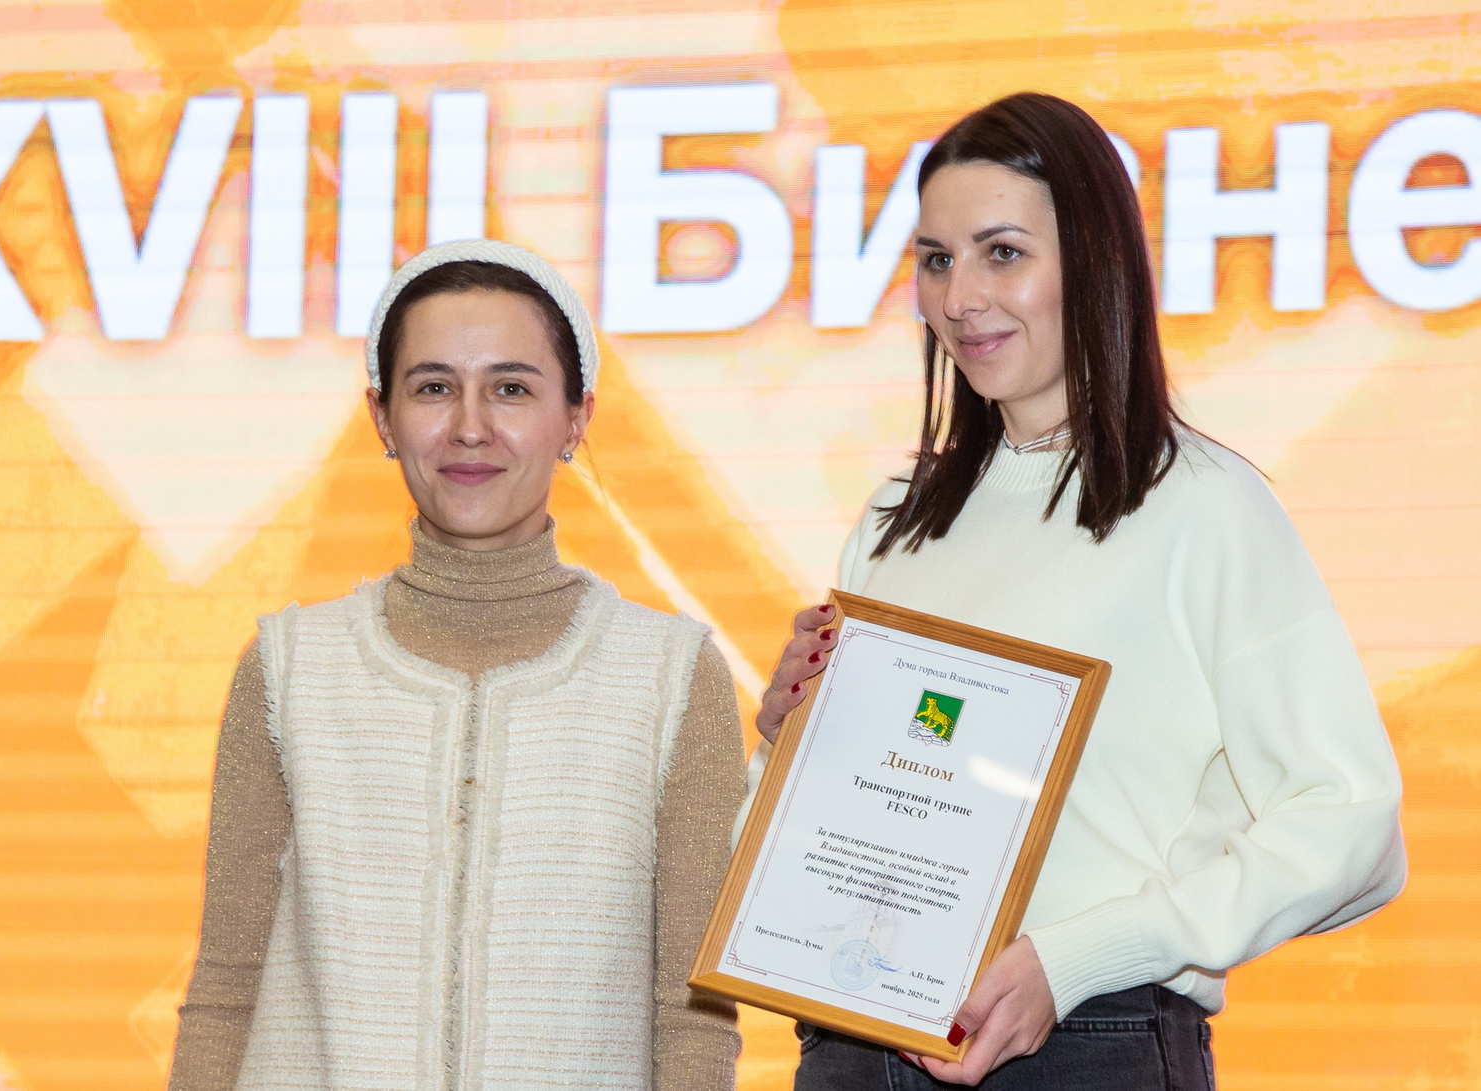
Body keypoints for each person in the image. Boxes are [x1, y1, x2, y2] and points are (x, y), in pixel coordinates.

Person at [750, 93, 1406, 1090]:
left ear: (1095, 260)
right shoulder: (894, 517)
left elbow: (1352, 823)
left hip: (1086, 1047)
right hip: (853, 1040)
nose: (961, 297)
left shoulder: (1203, 508)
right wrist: (789, 744)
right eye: (936, 259)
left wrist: (1078, 957)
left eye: (1003, 252)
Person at [169, 240, 743, 1091]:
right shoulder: (290, 670)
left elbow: (693, 1015)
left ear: (576, 417)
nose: (471, 426)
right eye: (433, 387)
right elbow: (225, 989)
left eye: (511, 388)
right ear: (383, 417)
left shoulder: (671, 677)